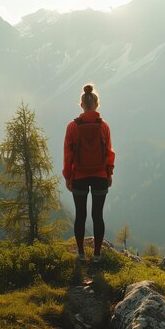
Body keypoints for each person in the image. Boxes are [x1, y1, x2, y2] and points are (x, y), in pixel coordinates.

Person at [63, 83, 115, 263]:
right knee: (97, 215)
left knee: (80, 215)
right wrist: (109, 174)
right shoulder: (104, 126)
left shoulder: (72, 126)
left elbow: (68, 154)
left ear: (81, 105)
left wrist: (68, 176)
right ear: (97, 104)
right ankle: (98, 255)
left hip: (79, 176)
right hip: (100, 175)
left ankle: (80, 253)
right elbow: (109, 153)